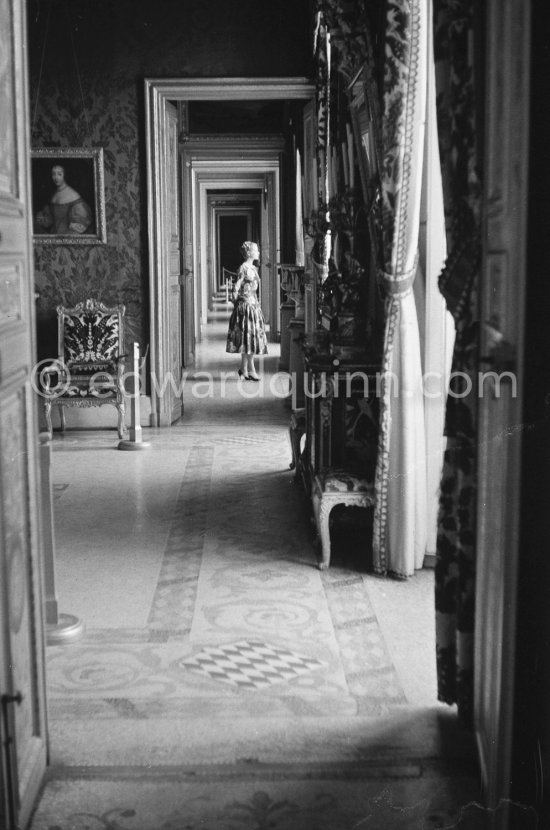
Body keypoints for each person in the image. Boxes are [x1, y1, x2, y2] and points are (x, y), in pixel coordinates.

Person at [226, 241, 268, 380]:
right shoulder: (243, 268)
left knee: (250, 340)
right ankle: (251, 370)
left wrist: (257, 304)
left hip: (253, 306)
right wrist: (238, 302)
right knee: (247, 339)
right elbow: (236, 287)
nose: (258, 252)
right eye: (256, 250)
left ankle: (244, 369)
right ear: (249, 253)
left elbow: (254, 289)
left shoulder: (253, 268)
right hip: (245, 308)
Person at [34, 164, 93, 235]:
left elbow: (82, 221)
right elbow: (51, 219)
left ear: (65, 175)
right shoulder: (55, 194)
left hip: (67, 236)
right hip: (54, 235)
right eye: (53, 174)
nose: (56, 178)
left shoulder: (73, 195)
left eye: (59, 174)